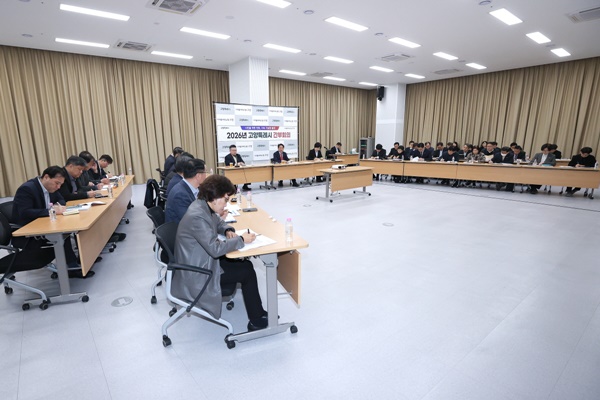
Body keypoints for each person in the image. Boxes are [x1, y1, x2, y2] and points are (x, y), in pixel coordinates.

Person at [173, 174, 268, 331]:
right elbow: (215, 249)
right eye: (225, 199)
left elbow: (217, 222)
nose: (226, 204)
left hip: (202, 261)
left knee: (245, 265)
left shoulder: (202, 205)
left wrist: (227, 230)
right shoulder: (198, 216)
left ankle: (259, 313)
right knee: (247, 272)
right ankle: (257, 320)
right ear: (215, 196)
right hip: (198, 273)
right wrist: (241, 240)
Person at [11, 166, 88, 277]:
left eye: (60, 184)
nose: (58, 187)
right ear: (46, 177)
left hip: (44, 223)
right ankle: (72, 268)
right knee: (62, 233)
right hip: (28, 232)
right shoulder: (27, 189)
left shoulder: (51, 188)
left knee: (67, 228)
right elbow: (25, 212)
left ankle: (77, 262)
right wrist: (51, 211)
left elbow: (61, 199)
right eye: (57, 183)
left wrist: (58, 206)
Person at [165, 159, 206, 223]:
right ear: (198, 176)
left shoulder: (194, 187)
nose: (206, 175)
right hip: (182, 228)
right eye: (205, 172)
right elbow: (191, 221)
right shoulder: (180, 194)